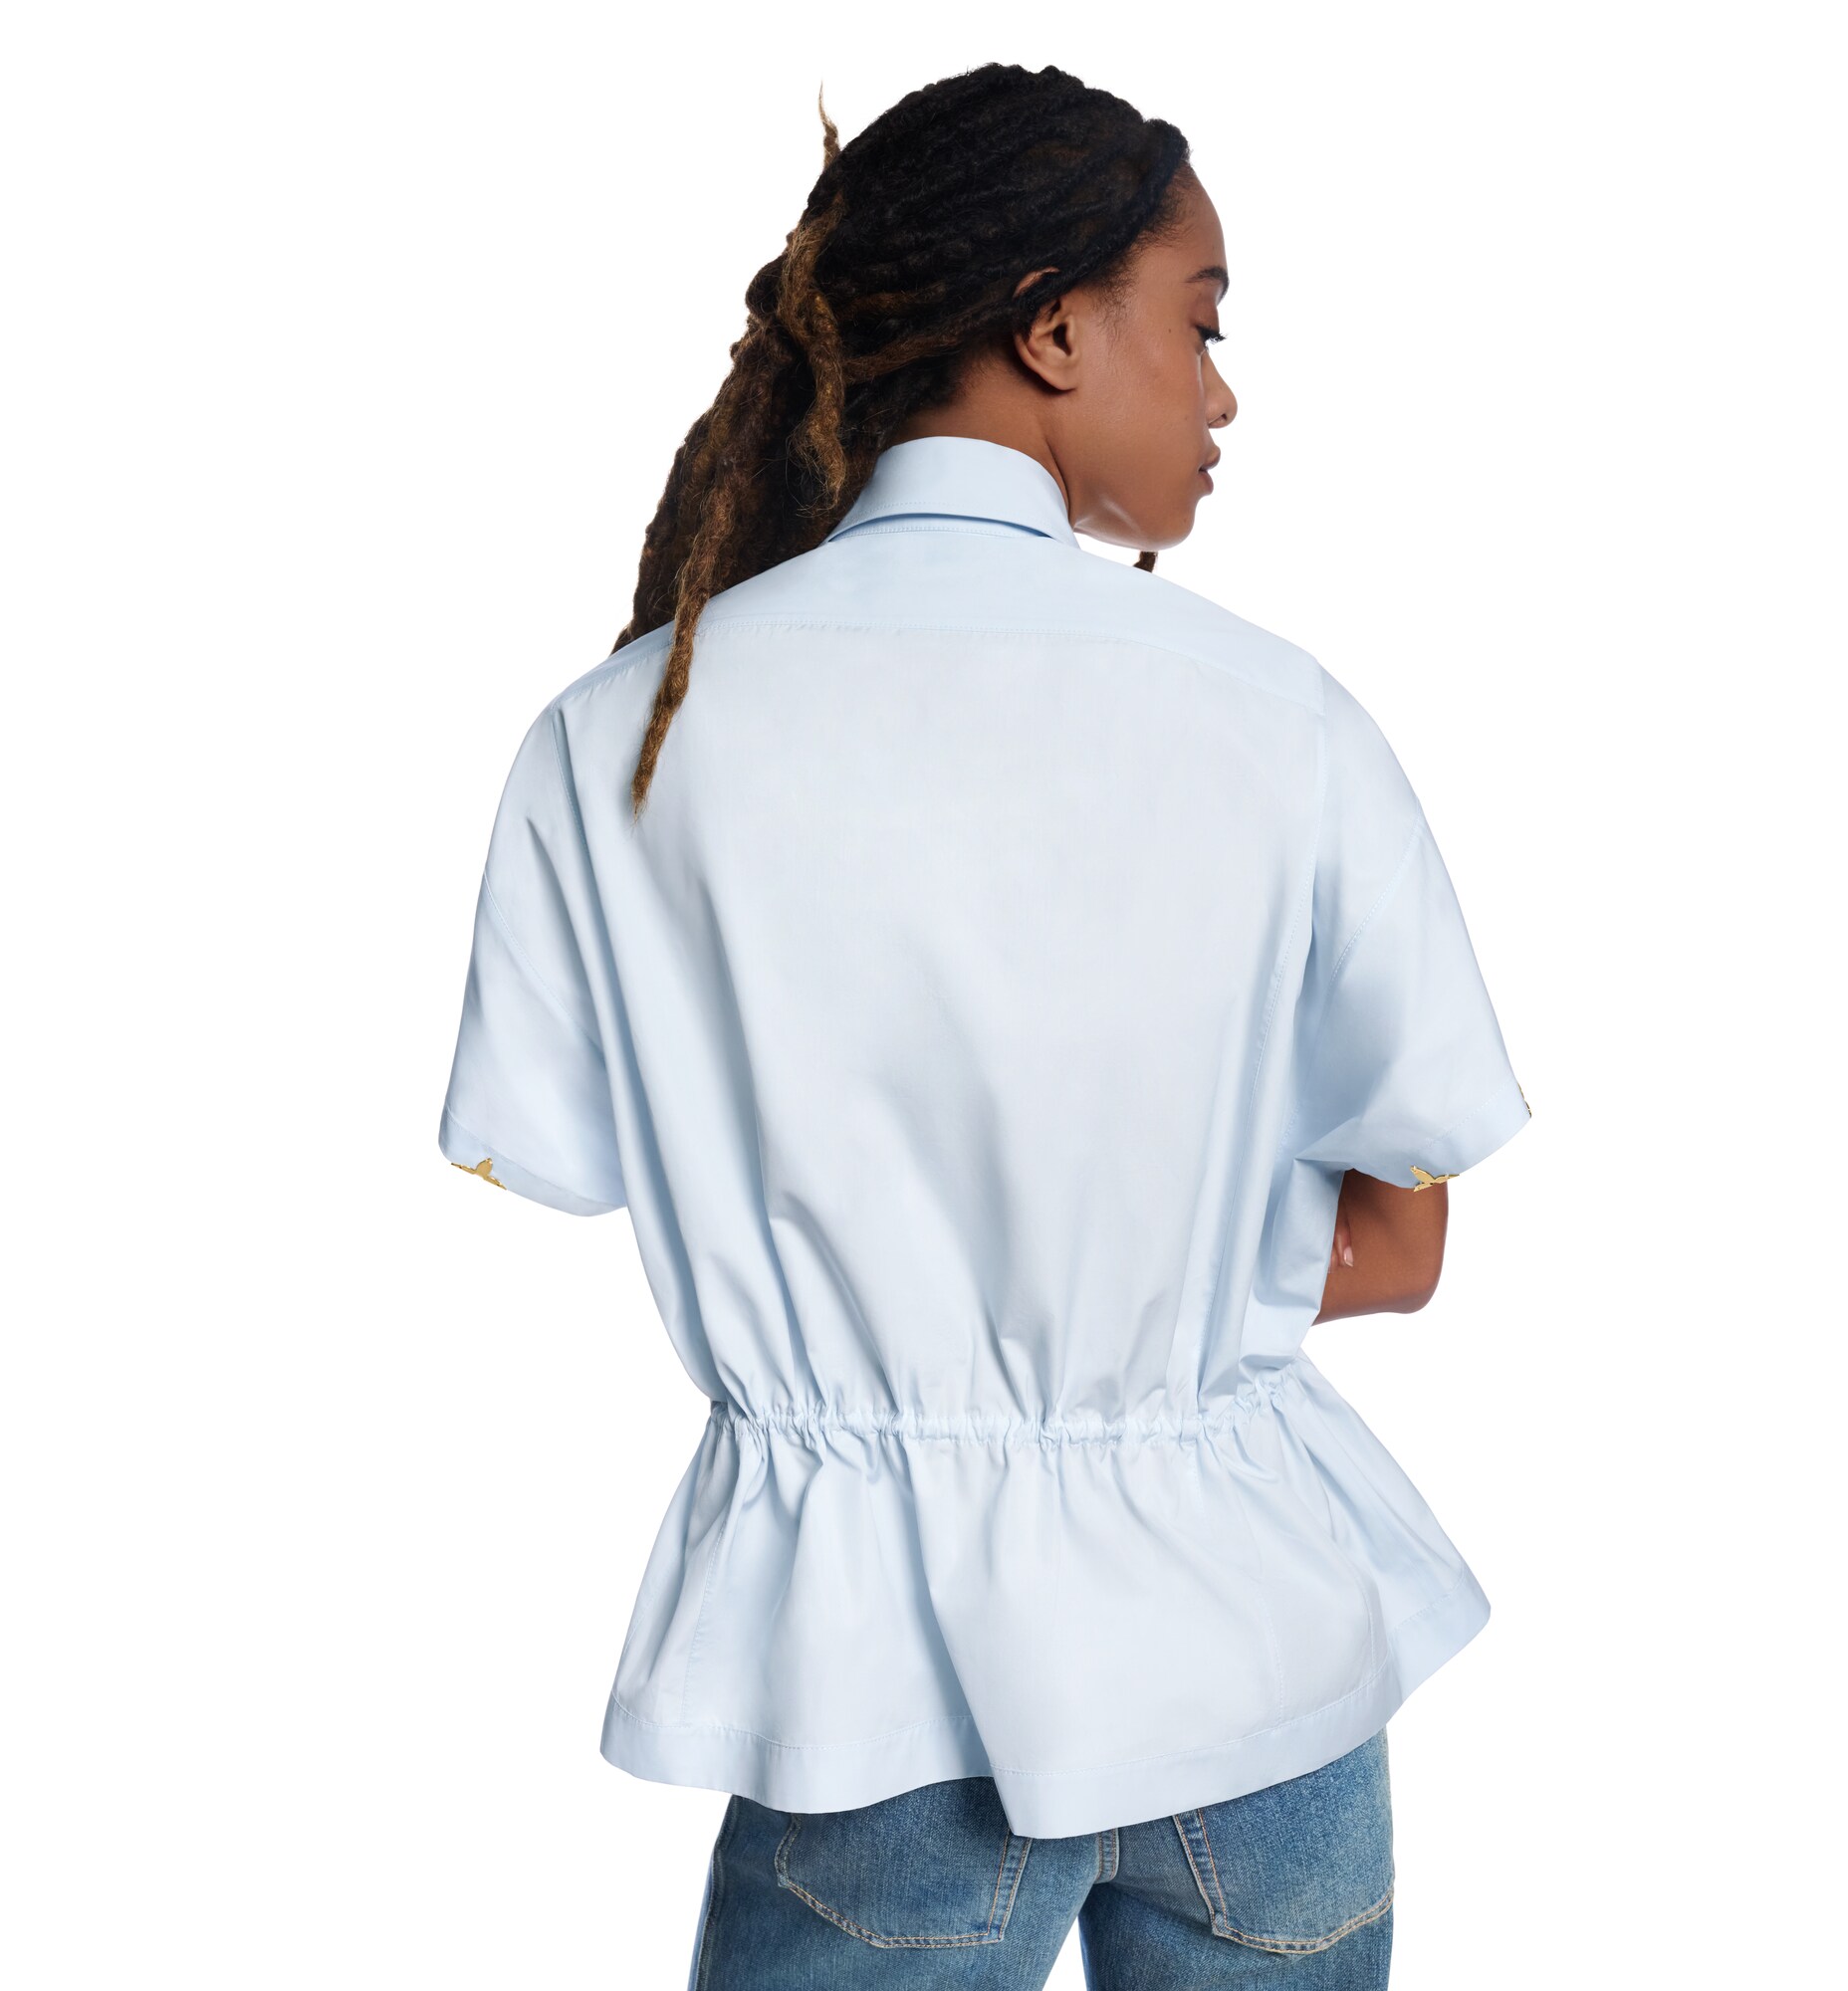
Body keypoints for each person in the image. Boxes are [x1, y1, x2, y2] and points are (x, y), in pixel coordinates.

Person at [437, 61, 1530, 1989]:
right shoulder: (1280, 720)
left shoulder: (620, 738)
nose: (1222, 392)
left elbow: (557, 1163)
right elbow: (1406, 1237)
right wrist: (1177, 1287)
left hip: (872, 1690)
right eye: (1201, 322)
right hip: (1259, 1657)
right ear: (1050, 329)